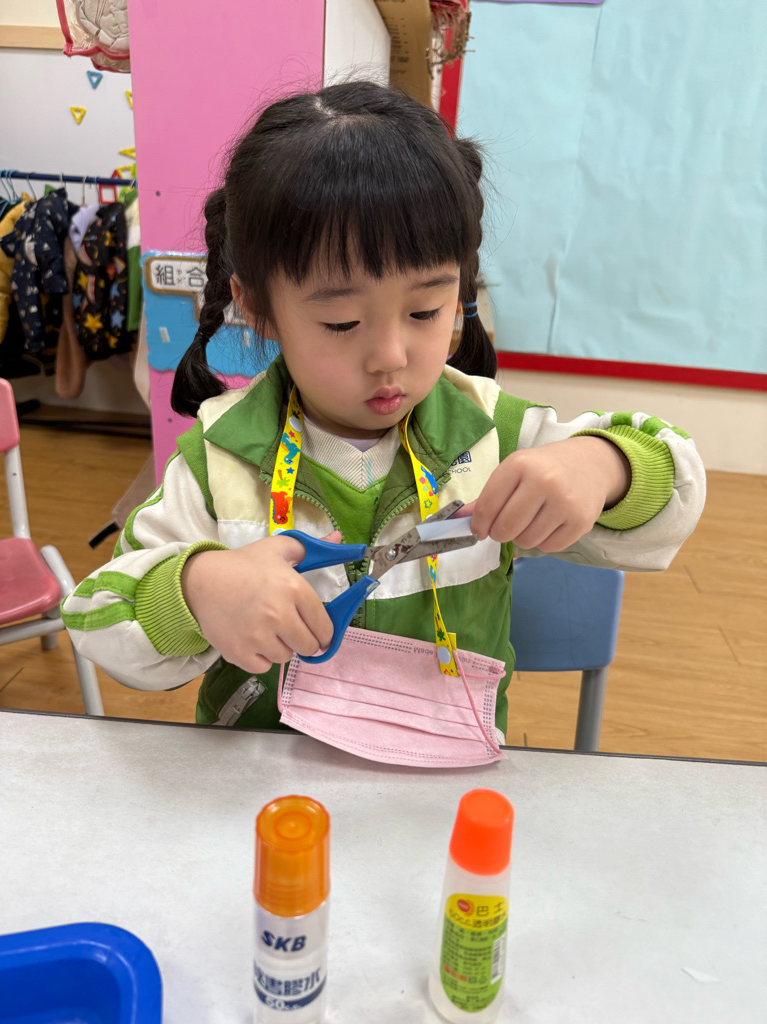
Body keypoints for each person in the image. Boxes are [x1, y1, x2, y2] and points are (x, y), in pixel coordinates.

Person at [62, 81, 705, 735]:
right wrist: (196, 589)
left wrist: (604, 467)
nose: (390, 356)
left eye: (425, 311)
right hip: (261, 783)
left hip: (442, 781)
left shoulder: (495, 434)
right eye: (341, 322)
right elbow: (96, 612)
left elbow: (673, 479)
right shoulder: (220, 459)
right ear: (257, 308)